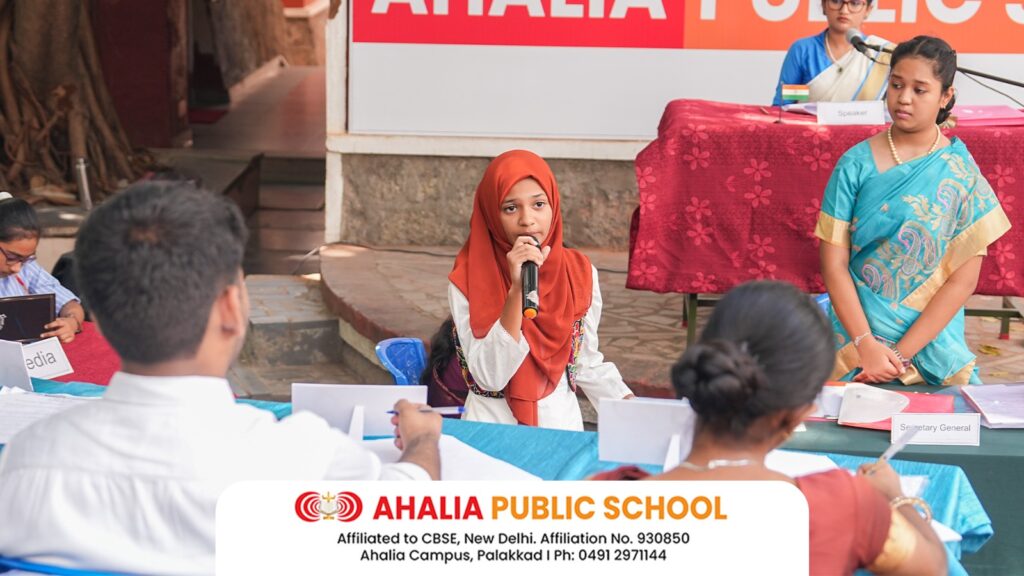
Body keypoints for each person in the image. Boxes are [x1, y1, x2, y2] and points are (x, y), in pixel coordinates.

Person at [0, 182, 442, 575]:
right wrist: (422, 439)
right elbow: (410, 507)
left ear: (99, 314)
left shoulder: (27, 459)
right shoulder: (302, 456)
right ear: (231, 308)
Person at [597, 281, 948, 575]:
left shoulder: (601, 504)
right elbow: (932, 567)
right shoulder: (844, 506)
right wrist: (896, 498)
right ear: (801, 412)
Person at [817, 36, 1011, 386]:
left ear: (946, 96)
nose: (904, 98)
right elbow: (833, 265)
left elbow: (963, 281)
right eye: (896, 85)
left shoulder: (962, 175)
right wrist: (866, 345)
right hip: (854, 340)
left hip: (932, 348)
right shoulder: (854, 165)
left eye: (920, 90)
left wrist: (900, 355)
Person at [448, 150, 632, 430]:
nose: (527, 220)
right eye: (511, 208)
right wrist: (516, 292)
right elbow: (489, 377)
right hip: (491, 428)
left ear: (553, 206)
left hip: (559, 428)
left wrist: (634, 408)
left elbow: (584, 362)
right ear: (491, 214)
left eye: (538, 204)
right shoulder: (467, 278)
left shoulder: (580, 273)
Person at [0, 192, 85, 343]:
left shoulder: (27, 269)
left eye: (26, 258)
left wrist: (71, 322)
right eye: (12, 257)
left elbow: (70, 304)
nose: (17, 268)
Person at [772, 0, 892, 106]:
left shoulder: (881, 54)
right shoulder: (803, 50)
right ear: (824, 5)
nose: (844, 10)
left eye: (855, 3)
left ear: (868, 10)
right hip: (809, 125)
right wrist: (810, 93)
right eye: (836, 1)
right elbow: (785, 104)